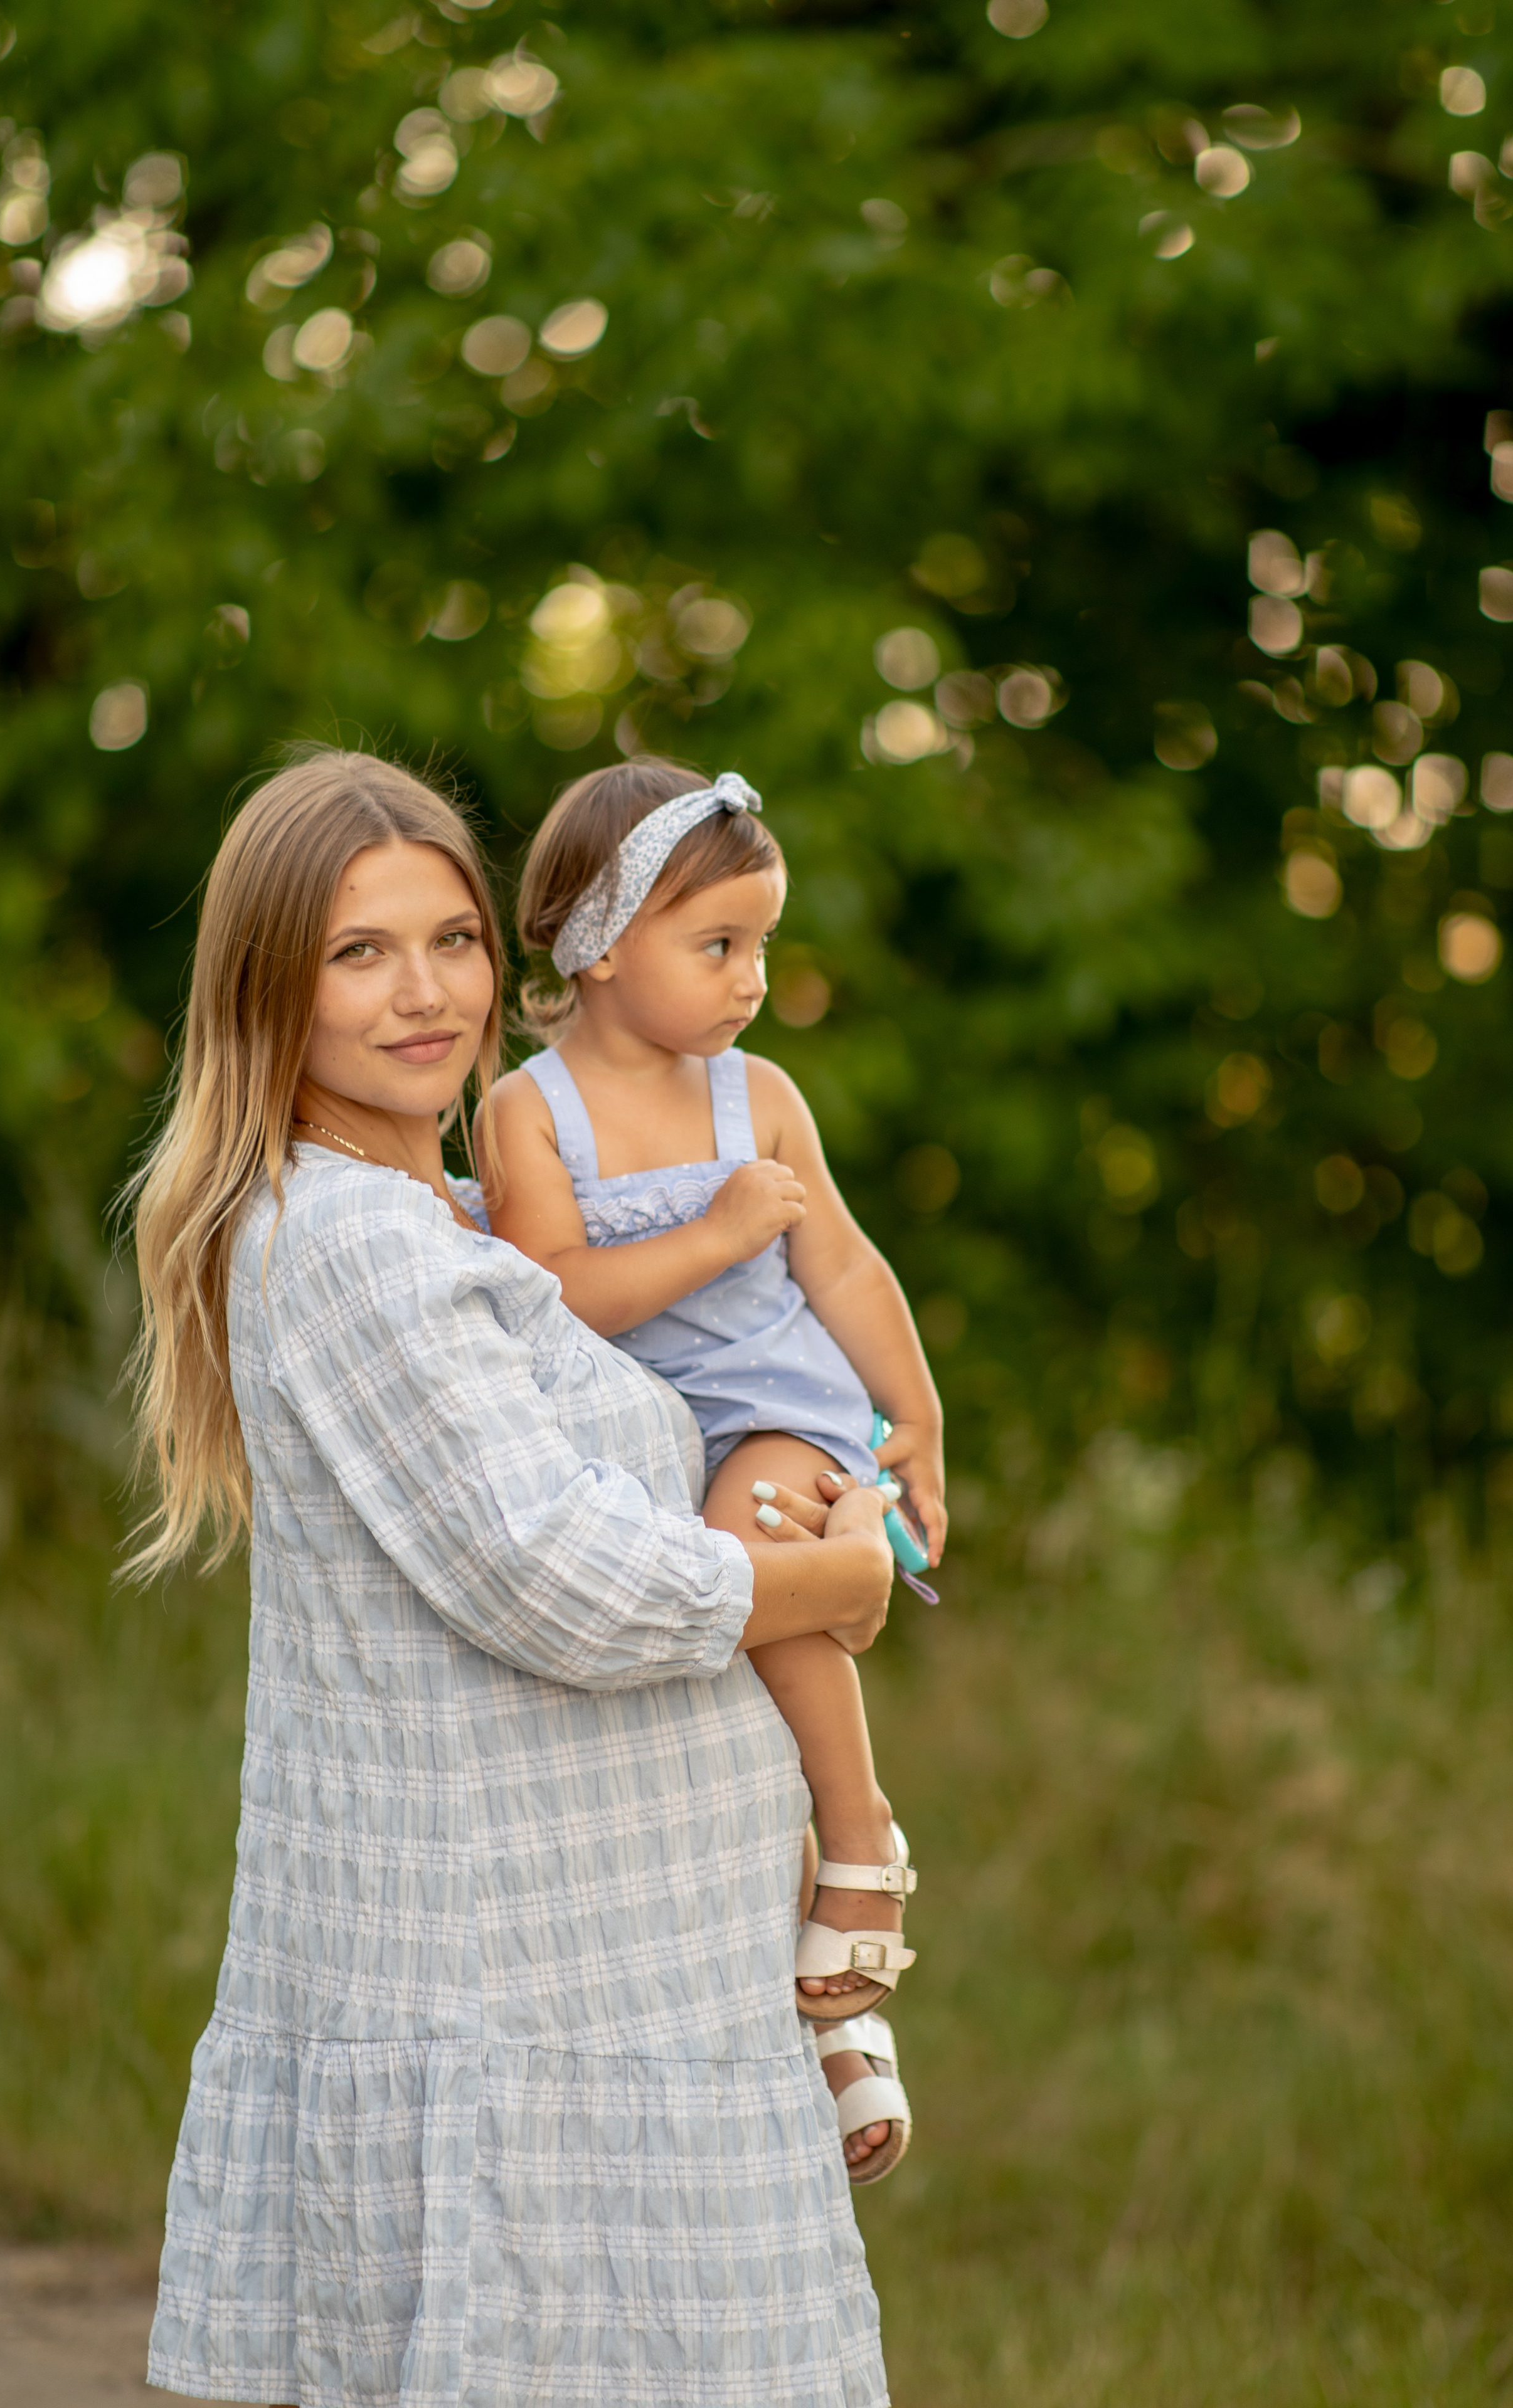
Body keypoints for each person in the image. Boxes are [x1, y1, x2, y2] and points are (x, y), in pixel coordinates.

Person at [127, 747, 898, 2408]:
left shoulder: (456, 1218)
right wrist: (827, 1589)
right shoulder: (353, 1244)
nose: (425, 996)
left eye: (454, 940)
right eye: (360, 953)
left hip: (624, 2007)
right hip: (524, 2019)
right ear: (274, 987)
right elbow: (561, 1576)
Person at [484, 758, 947, 2184]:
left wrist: (914, 1414)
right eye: (720, 945)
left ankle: (860, 1830)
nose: (751, 979)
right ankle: (826, 2028)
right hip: (635, 1450)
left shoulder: (762, 1099)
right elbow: (552, 1287)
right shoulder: (526, 1112)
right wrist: (718, 1230)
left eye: (761, 943)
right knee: (699, 1734)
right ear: (602, 946)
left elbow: (844, 1264)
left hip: (771, 1419)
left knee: (755, 1541)